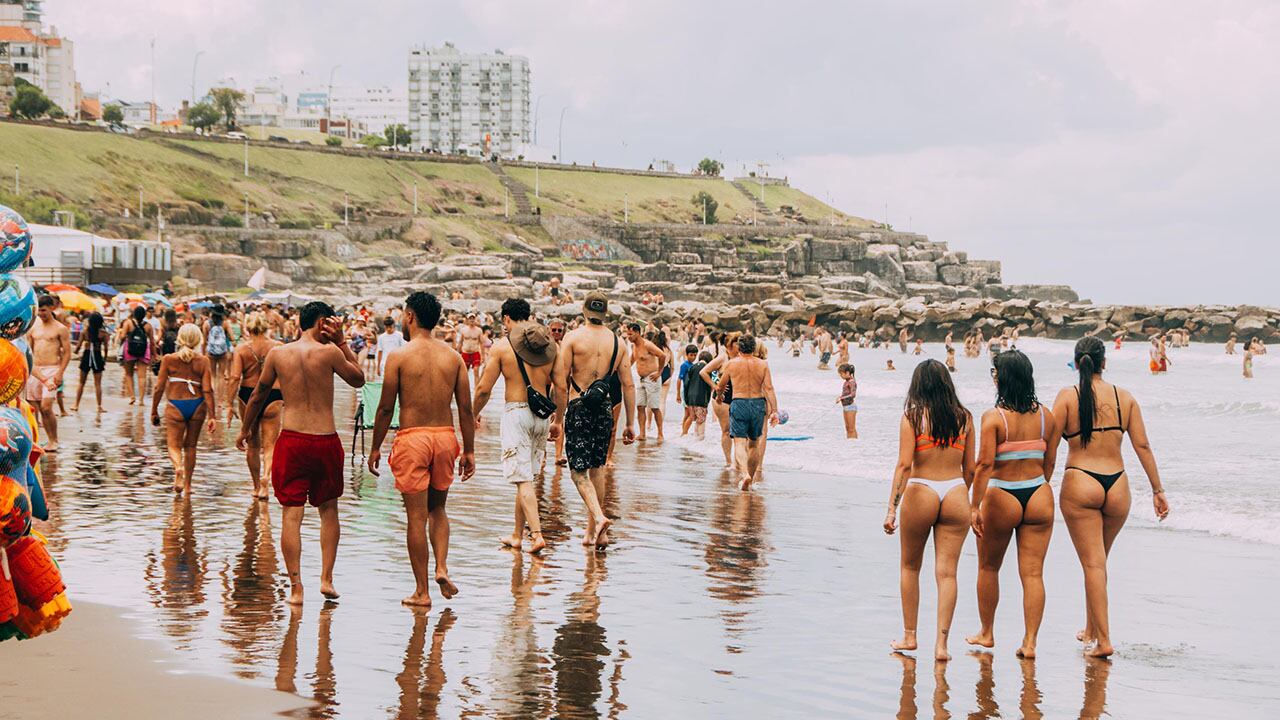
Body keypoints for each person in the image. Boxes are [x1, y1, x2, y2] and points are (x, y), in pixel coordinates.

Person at [236, 301, 365, 606]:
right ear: (322, 322)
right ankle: (326, 579)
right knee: (328, 510)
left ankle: (296, 588)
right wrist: (342, 341)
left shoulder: (279, 354)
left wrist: (244, 429)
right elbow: (358, 378)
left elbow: (258, 394)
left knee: (291, 515)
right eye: (331, 322)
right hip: (324, 439)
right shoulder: (331, 353)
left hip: (291, 440)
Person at [1052, 337, 1169, 658]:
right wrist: (1158, 490)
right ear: (1104, 363)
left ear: (1077, 363)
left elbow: (1049, 449)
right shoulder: (1125, 397)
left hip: (1081, 482)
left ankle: (1103, 641)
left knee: (1093, 564)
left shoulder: (1066, 398)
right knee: (1099, 561)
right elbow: (1142, 446)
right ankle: (1091, 629)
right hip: (1118, 487)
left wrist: (1041, 486)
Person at [368, 292, 475, 607]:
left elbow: (386, 408)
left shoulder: (399, 357)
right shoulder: (453, 357)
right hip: (444, 436)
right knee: (438, 509)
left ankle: (421, 591)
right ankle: (442, 566)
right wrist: (469, 451)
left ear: (410, 316)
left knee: (416, 517)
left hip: (413, 438)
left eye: (403, 315)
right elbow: (466, 409)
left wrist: (375, 447)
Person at [966, 350, 1060, 658]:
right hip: (1038, 493)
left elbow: (984, 465)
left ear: (1001, 378)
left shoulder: (994, 418)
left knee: (989, 567)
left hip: (1002, 494)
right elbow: (1049, 464)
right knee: (1033, 574)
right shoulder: (1048, 416)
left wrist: (974, 504)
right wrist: (1035, 481)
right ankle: (1030, 642)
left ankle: (986, 633)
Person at [884, 359, 974, 662]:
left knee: (910, 567)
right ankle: (942, 646)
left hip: (922, 489)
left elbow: (904, 465)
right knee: (947, 573)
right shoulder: (965, 418)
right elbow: (970, 468)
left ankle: (910, 636)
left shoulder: (911, 418)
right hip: (956, 491)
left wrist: (891, 509)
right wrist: (965, 496)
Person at [552, 290, 636, 549]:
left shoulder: (573, 338)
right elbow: (628, 385)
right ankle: (594, 533)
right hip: (604, 409)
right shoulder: (619, 343)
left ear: (584, 310)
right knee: (597, 469)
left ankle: (599, 519)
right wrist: (630, 423)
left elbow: (561, 383)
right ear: (605, 313)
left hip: (578, 406)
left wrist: (558, 418)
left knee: (578, 472)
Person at [473, 298, 555, 555]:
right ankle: (517, 535)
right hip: (542, 415)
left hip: (517, 412)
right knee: (527, 477)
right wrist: (559, 420)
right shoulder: (548, 344)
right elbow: (561, 385)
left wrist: (472, 414)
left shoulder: (502, 346)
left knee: (522, 479)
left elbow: (484, 388)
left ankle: (537, 535)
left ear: (506, 318)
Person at [151, 324, 217, 494]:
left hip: (175, 406)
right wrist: (212, 416)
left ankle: (178, 467)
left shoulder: (168, 359)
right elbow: (208, 389)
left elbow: (158, 388)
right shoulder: (203, 361)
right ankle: (188, 486)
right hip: (197, 406)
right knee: (191, 447)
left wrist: (154, 410)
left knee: (173, 445)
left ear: (179, 339)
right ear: (198, 340)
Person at [227, 312, 283, 500]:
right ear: (266, 327)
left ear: (247, 328)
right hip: (274, 394)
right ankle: (267, 478)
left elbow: (235, 377)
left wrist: (229, 403)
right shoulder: (278, 347)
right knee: (270, 445)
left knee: (252, 443)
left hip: (247, 395)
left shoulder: (241, 349)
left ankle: (256, 485)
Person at [713, 334, 778, 491]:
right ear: (754, 348)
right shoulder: (763, 364)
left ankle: (744, 474)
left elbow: (721, 385)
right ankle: (751, 476)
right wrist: (774, 410)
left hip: (739, 402)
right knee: (754, 443)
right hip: (757, 404)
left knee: (740, 442)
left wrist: (720, 396)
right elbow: (769, 388)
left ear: (739, 347)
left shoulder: (732, 364)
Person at [26, 296, 71, 452]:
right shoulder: (33, 328)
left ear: (51, 308)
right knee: (34, 408)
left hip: (52, 369)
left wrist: (60, 373)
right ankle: (37, 440)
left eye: (44, 310)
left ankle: (54, 440)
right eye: (39, 311)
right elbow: (28, 352)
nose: (41, 314)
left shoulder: (60, 328)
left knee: (46, 407)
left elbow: (67, 353)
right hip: (35, 370)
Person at [699, 333, 738, 468]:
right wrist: (715, 386)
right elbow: (704, 372)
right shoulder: (723, 358)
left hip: (739, 396)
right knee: (726, 430)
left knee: (739, 432)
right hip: (722, 399)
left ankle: (739, 461)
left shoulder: (742, 357)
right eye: (736, 343)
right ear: (729, 345)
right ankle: (729, 462)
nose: (739, 345)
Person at [625, 322, 667, 441]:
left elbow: (662, 355)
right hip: (641, 379)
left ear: (638, 333)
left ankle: (660, 434)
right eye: (627, 334)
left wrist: (659, 372)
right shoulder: (634, 346)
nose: (629, 337)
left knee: (654, 407)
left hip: (652, 379)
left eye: (631, 334)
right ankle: (642, 434)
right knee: (640, 406)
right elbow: (631, 361)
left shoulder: (647, 345)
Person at [72, 311, 108, 413]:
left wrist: (75, 352)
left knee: (81, 382)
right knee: (98, 384)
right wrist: (104, 360)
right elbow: (105, 349)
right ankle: (99, 406)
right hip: (97, 356)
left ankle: (76, 405)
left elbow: (78, 347)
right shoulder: (103, 334)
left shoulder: (85, 332)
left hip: (86, 356)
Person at [118, 304, 154, 406]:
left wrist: (121, 334)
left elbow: (123, 337)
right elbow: (152, 342)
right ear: (144, 315)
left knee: (129, 374)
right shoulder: (148, 326)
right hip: (143, 351)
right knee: (142, 377)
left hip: (129, 351)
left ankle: (132, 396)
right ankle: (141, 400)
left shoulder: (128, 323)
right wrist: (154, 355)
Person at [682, 351, 713, 439]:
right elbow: (709, 386)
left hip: (690, 398)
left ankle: (695, 439)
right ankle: (700, 440)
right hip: (701, 398)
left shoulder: (692, 367)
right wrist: (707, 400)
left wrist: (686, 400)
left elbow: (686, 384)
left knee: (695, 419)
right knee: (701, 421)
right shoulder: (708, 369)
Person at [204, 309, 232, 399]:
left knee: (212, 374)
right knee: (221, 375)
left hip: (210, 352)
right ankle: (220, 398)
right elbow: (231, 337)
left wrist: (204, 352)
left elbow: (204, 341)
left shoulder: (206, 324)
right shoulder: (225, 323)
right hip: (222, 352)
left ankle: (212, 395)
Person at [675, 344, 698, 434]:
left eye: (695, 355)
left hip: (690, 392)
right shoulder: (684, 365)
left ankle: (684, 432)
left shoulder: (693, 365)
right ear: (686, 355)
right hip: (686, 392)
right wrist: (678, 394)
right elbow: (679, 379)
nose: (693, 357)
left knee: (687, 414)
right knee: (689, 415)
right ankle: (684, 432)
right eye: (691, 355)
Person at [457, 313, 485, 386]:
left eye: (473, 318)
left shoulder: (479, 330)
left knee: (476, 371)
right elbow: (460, 342)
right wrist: (457, 353)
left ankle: (476, 390)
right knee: (464, 373)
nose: (472, 320)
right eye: (470, 318)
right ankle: (464, 388)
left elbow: (482, 343)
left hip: (475, 352)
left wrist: (483, 356)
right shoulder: (463, 330)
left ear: (475, 319)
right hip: (465, 352)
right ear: (467, 320)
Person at [837, 363, 858, 439]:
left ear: (847, 373)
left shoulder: (852, 382)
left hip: (851, 407)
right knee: (848, 429)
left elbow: (853, 394)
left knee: (851, 429)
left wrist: (842, 398)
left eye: (841, 374)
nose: (841, 376)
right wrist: (841, 397)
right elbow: (846, 393)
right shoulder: (846, 381)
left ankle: (854, 445)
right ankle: (849, 445)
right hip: (846, 407)